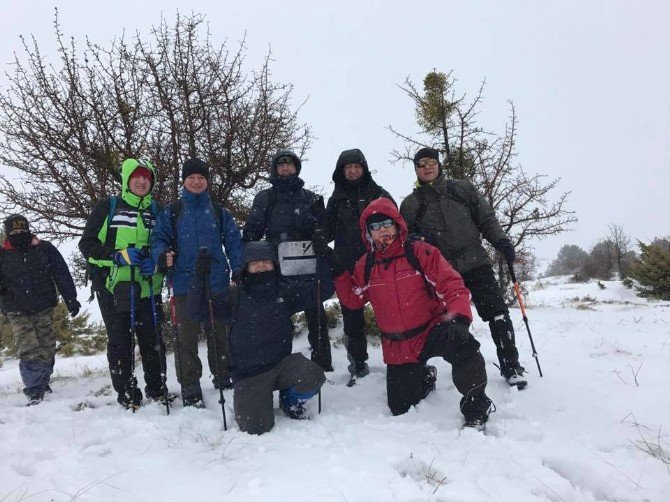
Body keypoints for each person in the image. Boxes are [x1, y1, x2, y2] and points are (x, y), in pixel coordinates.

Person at [315, 197, 494, 429]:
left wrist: (459, 318)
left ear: (398, 225)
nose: (382, 231)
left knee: (465, 348)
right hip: (398, 345)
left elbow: (451, 285)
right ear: (368, 233)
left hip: (432, 329)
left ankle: (477, 405)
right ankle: (426, 376)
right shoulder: (365, 265)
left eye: (387, 224)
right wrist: (337, 269)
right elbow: (353, 300)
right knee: (400, 407)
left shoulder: (420, 252)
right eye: (375, 227)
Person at [399, 147, 527, 389]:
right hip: (442, 273)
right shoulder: (412, 203)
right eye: (421, 164)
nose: (427, 167)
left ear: (439, 165)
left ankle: (511, 365)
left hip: (475, 263)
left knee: (497, 313)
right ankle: (457, 366)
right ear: (416, 169)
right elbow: (406, 238)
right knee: (448, 322)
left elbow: (486, 218)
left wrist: (501, 240)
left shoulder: (461, 189)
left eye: (431, 162)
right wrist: (417, 244)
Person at [187, 241, 330, 434]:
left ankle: (289, 401)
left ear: (274, 264)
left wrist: (324, 258)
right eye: (255, 262)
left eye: (266, 261)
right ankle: (258, 400)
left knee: (313, 376)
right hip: (249, 375)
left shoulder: (284, 290)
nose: (261, 265)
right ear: (246, 267)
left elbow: (322, 291)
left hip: (282, 365)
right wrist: (199, 275)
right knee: (256, 428)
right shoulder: (233, 296)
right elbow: (197, 312)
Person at [151, 158, 243, 408]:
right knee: (186, 337)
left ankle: (224, 376)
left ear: (207, 182)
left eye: (201, 178)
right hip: (183, 283)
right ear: (183, 181)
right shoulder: (172, 211)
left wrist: (238, 269)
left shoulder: (218, 211)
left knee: (220, 334)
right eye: (191, 177)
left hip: (218, 281)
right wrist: (162, 255)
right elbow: (158, 239)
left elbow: (234, 242)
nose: (196, 181)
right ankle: (190, 385)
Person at [79, 158, 170, 409]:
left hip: (148, 284)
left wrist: (156, 261)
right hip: (113, 287)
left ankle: (157, 388)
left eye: (147, 177)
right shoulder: (108, 206)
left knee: (152, 340)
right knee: (121, 341)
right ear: (127, 180)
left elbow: (165, 244)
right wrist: (116, 256)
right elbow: (87, 245)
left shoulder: (157, 211)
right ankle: (128, 393)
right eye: (137, 176)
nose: (142, 181)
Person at [243, 150, 333, 371]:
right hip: (278, 271)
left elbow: (326, 230)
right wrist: (247, 264)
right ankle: (280, 367)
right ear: (274, 169)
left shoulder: (311, 197)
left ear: (296, 168)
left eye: (290, 164)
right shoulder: (265, 197)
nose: (285, 168)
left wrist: (320, 235)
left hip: (308, 268)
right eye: (281, 164)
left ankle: (322, 365)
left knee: (317, 319)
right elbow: (251, 234)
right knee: (278, 322)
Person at [324, 148, 394, 380]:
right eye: (348, 167)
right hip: (348, 266)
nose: (353, 171)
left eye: (357, 166)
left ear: (364, 169)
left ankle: (397, 358)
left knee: (388, 311)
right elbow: (327, 233)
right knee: (352, 316)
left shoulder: (379, 193)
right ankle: (358, 361)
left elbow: (397, 225)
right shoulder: (336, 200)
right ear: (341, 171)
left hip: (378, 263)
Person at [0, 214, 80, 405]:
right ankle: (34, 389)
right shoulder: (2, 255)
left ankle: (43, 380)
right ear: (7, 233)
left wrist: (71, 299)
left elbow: (61, 273)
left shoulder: (44, 248)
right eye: (14, 231)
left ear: (28, 230)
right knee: (28, 348)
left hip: (43, 305)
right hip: (16, 309)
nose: (19, 234)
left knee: (47, 346)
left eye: (22, 230)